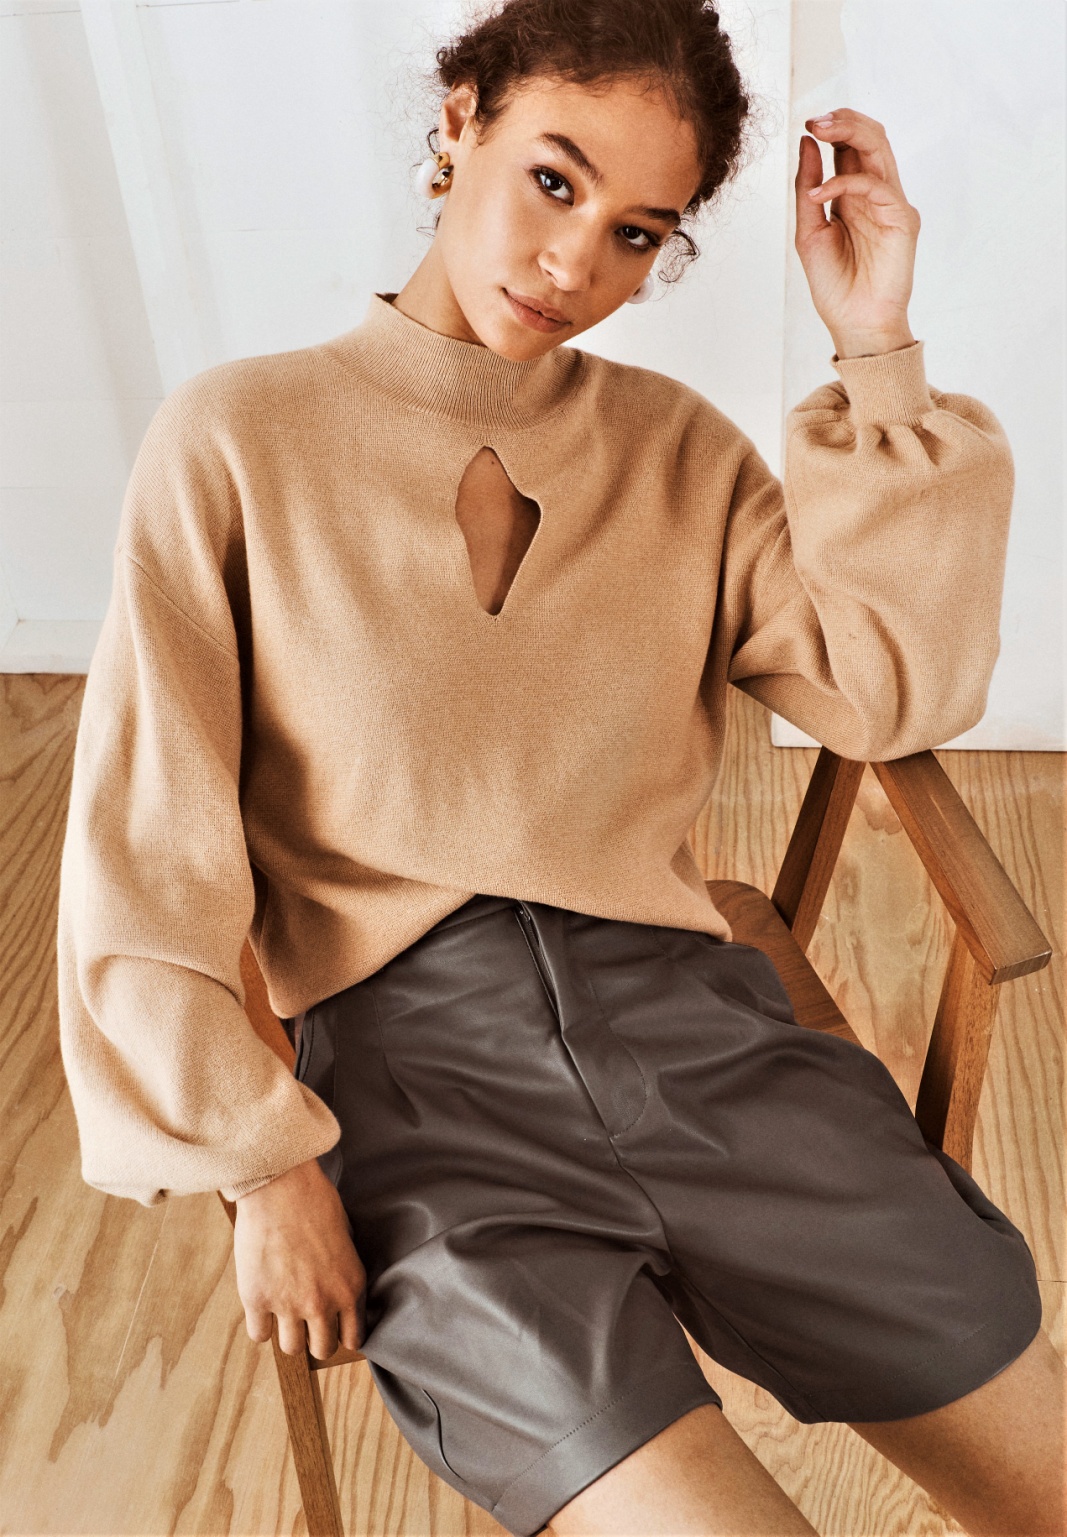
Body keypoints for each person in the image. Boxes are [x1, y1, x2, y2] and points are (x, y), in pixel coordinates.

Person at [56, 1, 1064, 1534]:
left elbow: (884, 691)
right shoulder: (236, 441)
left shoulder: (680, 452)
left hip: (704, 1041)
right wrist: (262, 1166)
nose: (576, 264)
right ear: (460, 118)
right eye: (554, 179)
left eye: (638, 233)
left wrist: (877, 343)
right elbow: (144, 854)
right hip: (419, 1104)